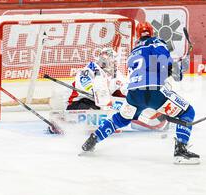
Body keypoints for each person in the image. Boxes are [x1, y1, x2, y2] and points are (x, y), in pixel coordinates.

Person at [81, 22, 199, 164]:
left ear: (138, 35)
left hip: (134, 94)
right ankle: (180, 150)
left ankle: (92, 140)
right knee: (186, 112)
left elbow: (150, 70)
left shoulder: (133, 51)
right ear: (151, 32)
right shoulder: (157, 43)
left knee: (120, 119)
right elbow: (172, 72)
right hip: (155, 91)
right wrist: (181, 67)